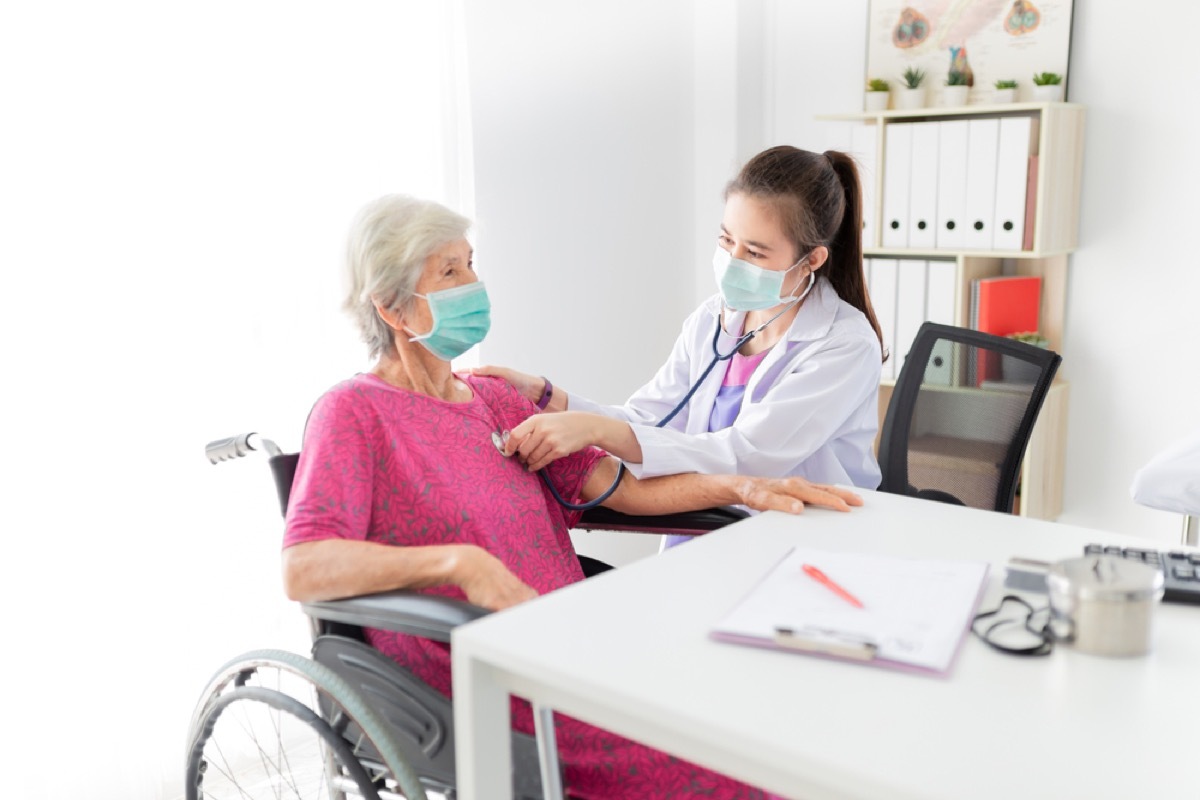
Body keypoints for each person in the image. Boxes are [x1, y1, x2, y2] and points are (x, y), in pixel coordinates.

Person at [282, 194, 863, 800]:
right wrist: (459, 563)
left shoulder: (492, 399)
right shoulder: (353, 412)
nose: (474, 283)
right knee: (733, 773)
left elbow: (626, 491)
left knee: (767, 725)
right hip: (471, 672)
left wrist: (742, 485)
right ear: (392, 308)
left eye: (471, 263)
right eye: (449, 272)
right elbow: (304, 566)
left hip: (574, 642)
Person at [476, 146, 886, 546]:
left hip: (801, 537)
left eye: (755, 252)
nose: (733, 261)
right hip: (707, 524)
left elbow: (747, 456)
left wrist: (596, 430)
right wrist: (548, 397)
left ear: (811, 260)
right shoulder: (714, 319)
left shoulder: (844, 345)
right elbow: (650, 419)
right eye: (727, 241)